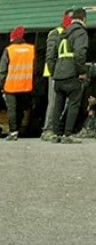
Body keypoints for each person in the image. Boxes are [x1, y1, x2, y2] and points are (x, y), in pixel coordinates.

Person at [48, 8, 89, 144]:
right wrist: (82, 71)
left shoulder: (62, 33)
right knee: (74, 104)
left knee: (58, 104)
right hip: (72, 74)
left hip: (59, 76)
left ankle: (55, 134)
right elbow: (80, 54)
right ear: (83, 19)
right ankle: (67, 134)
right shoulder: (80, 32)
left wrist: (54, 72)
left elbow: (52, 56)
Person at [41, 10, 73, 141]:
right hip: (54, 73)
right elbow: (50, 55)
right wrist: (54, 73)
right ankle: (47, 129)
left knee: (63, 102)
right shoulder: (55, 33)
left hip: (66, 73)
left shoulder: (70, 34)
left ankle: (56, 129)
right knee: (54, 102)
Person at [0, 25, 35, 141]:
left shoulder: (9, 50)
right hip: (26, 85)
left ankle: (13, 131)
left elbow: (2, 70)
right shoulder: (31, 49)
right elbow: (35, 68)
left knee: (11, 109)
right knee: (21, 109)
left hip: (11, 85)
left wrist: (1, 85)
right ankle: (19, 129)